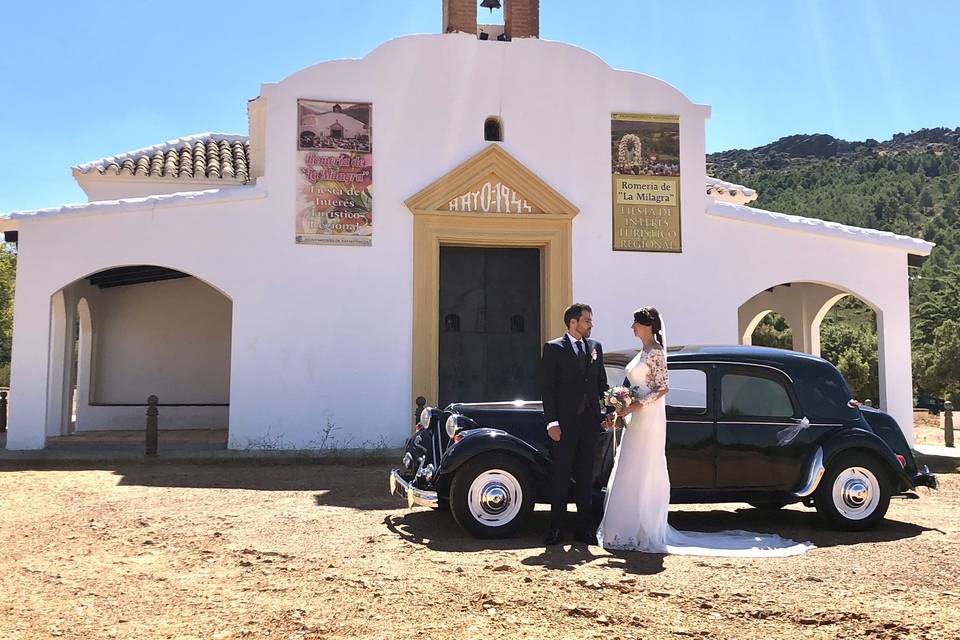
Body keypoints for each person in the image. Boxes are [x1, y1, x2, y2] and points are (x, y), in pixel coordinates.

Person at [596, 306, 813, 557]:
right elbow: (638, 386)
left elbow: (662, 388)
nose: (632, 327)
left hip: (648, 416)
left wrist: (634, 405)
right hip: (636, 415)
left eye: (635, 323)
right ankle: (624, 529)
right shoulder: (643, 352)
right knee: (630, 465)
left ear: (646, 325)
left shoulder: (655, 352)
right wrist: (620, 407)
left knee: (643, 465)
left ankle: (642, 529)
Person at [538, 303, 611, 546]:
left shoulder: (595, 348)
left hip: (589, 423)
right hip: (564, 425)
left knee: (585, 477)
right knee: (560, 476)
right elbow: (547, 389)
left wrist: (611, 408)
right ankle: (556, 528)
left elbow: (601, 383)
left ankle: (584, 528)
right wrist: (552, 423)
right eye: (587, 320)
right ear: (573, 323)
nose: (591, 324)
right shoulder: (553, 348)